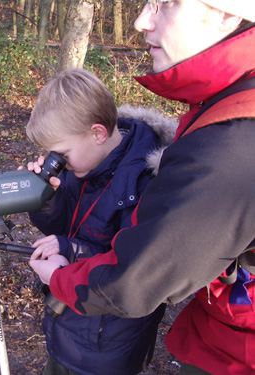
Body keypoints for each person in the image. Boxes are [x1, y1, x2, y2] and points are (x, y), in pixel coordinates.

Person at [29, 1, 255, 374]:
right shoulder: (220, 110)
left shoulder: (230, 142)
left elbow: (133, 279)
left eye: (166, 3)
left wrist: (58, 275)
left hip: (223, 350)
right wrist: (46, 201)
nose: (140, 20)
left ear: (226, 12)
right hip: (219, 334)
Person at [25, 68, 177, 375]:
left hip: (108, 343)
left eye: (63, 153)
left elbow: (131, 268)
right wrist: (46, 199)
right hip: (68, 320)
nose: (59, 162)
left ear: (97, 133)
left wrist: (69, 248)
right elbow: (61, 225)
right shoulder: (82, 166)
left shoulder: (146, 181)